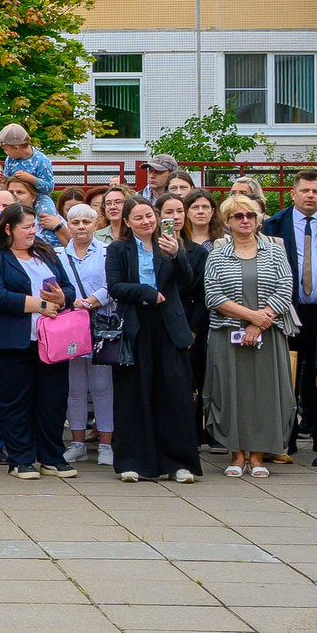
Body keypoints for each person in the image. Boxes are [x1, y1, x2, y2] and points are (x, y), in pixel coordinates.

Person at [0, 205, 82, 480]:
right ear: (8, 229)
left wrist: (61, 298)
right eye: (26, 227)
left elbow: (68, 287)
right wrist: (40, 305)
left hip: (50, 342)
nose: (33, 231)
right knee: (15, 402)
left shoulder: (45, 251)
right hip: (11, 341)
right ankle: (20, 459)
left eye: (34, 226)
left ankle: (52, 458)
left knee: (53, 401)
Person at [106, 195, 201, 484]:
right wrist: (146, 292)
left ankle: (179, 463)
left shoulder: (171, 244)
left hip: (169, 327)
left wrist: (177, 256)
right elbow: (115, 287)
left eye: (149, 216)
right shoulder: (118, 249)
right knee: (133, 395)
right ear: (126, 222)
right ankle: (133, 461)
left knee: (175, 395)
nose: (146, 222)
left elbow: (189, 283)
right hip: (135, 327)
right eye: (138, 218)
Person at [202, 194, 295, 479]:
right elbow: (213, 295)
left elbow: (285, 288)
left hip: (269, 335)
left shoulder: (275, 251)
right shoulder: (217, 254)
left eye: (250, 216)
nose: (245, 221)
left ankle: (258, 455)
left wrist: (259, 322)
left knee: (265, 394)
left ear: (258, 220)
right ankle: (236, 454)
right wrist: (248, 317)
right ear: (227, 222)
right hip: (227, 334)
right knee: (230, 392)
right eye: (238, 216)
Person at [261, 168, 317, 464]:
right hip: (287, 308)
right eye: (305, 191)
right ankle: (285, 439)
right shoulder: (274, 225)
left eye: (316, 191)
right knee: (286, 373)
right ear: (293, 193)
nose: (311, 196)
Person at [58, 203, 115, 468]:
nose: (81, 227)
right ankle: (77, 443)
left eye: (86, 222)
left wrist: (91, 300)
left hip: (99, 324)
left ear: (96, 224)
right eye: (75, 222)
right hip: (70, 325)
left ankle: (106, 444)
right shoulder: (58, 255)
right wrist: (71, 302)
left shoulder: (106, 253)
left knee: (102, 386)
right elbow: (53, 284)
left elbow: (112, 284)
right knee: (75, 387)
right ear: (68, 225)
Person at [0, 125, 59, 219]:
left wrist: (31, 179)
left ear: (16, 148)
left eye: (6, 149)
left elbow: (49, 188)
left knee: (47, 216)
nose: (5, 153)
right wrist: (4, 179)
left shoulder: (42, 161)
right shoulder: (10, 160)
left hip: (38, 197)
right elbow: (8, 178)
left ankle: (47, 233)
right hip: (14, 195)